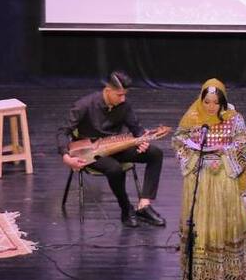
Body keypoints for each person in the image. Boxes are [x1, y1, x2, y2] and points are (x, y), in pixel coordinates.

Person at [172, 78, 246, 280]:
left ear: (222, 102)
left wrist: (224, 154)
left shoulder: (234, 118)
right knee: (199, 224)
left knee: (225, 222)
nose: (210, 107)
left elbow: (245, 142)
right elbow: (178, 140)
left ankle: (228, 279)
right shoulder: (193, 117)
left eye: (215, 103)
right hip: (199, 176)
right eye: (207, 102)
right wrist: (195, 153)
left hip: (223, 177)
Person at [58, 71, 166, 228]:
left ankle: (144, 206)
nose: (123, 99)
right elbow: (63, 131)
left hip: (116, 147)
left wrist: (142, 140)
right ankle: (126, 209)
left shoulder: (124, 106)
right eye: (119, 95)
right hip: (90, 152)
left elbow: (136, 128)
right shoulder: (84, 105)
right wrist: (66, 157)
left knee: (155, 154)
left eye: (125, 95)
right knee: (114, 169)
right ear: (108, 90)